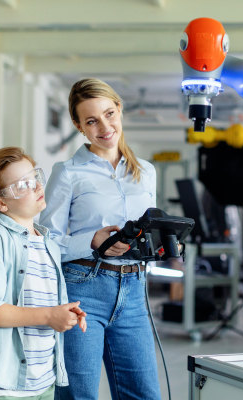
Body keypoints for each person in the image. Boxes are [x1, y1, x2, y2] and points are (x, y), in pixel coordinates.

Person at [39, 78, 161, 400]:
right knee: (79, 395)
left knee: (144, 394)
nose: (104, 127)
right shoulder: (67, 173)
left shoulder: (146, 172)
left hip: (134, 289)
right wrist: (91, 241)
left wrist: (159, 242)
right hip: (83, 289)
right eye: (91, 120)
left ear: (119, 109)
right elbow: (46, 241)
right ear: (79, 126)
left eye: (109, 114)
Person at [0, 147, 87, 400]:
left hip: (43, 377)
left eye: (35, 178)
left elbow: (40, 301)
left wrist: (64, 312)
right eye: (23, 185)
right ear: (0, 203)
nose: (36, 187)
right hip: (5, 384)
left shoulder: (47, 242)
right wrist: (49, 316)